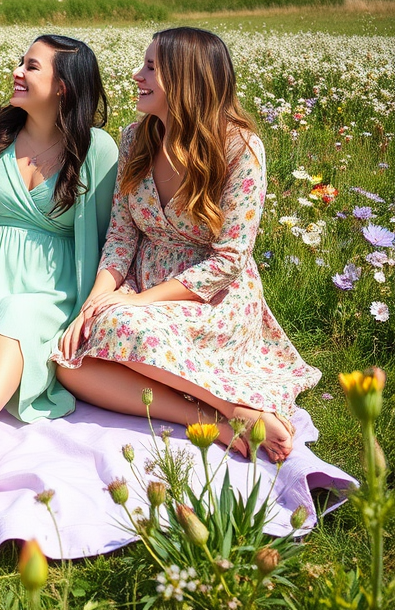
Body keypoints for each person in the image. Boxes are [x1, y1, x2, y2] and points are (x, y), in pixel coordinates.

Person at [58, 27, 321, 462]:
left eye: (151, 68)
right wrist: (94, 303)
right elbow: (122, 237)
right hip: (144, 283)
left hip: (210, 299)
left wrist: (140, 303)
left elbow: (229, 261)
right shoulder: (135, 138)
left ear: (187, 80)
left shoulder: (239, 148)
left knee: (125, 327)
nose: (137, 75)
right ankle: (217, 420)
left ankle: (231, 404)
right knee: (72, 363)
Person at [0, 35, 118, 466]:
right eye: (20, 62)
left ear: (64, 85)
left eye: (31, 66)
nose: (17, 72)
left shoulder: (96, 148)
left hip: (53, 284)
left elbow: (106, 238)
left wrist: (89, 309)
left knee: (17, 315)